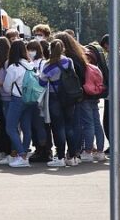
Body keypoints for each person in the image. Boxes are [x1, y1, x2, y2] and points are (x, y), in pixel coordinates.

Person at [40, 40, 76, 167]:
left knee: (58, 127)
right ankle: (72, 156)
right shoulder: (68, 61)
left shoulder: (48, 65)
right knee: (70, 126)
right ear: (62, 49)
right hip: (69, 96)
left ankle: (60, 157)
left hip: (55, 97)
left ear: (50, 50)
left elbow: (42, 82)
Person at [54, 32, 87, 164]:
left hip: (61, 95)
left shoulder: (63, 59)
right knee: (75, 124)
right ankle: (75, 152)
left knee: (62, 126)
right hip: (76, 94)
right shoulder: (78, 57)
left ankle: (64, 153)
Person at [3, 40, 35, 167]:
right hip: (30, 100)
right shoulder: (30, 65)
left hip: (17, 100)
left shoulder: (13, 67)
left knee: (10, 128)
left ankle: (21, 155)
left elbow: (6, 87)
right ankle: (25, 155)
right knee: (26, 128)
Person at [26, 39, 51, 162]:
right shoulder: (29, 63)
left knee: (40, 125)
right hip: (33, 98)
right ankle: (39, 148)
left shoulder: (43, 63)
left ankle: (44, 150)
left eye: (32, 50)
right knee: (35, 125)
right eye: (28, 50)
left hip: (40, 98)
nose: (30, 52)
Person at [0, 37, 14, 164]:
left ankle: (12, 152)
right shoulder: (5, 63)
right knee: (8, 126)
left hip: (7, 98)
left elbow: (6, 82)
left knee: (9, 126)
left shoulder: (6, 63)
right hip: (6, 97)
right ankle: (11, 151)